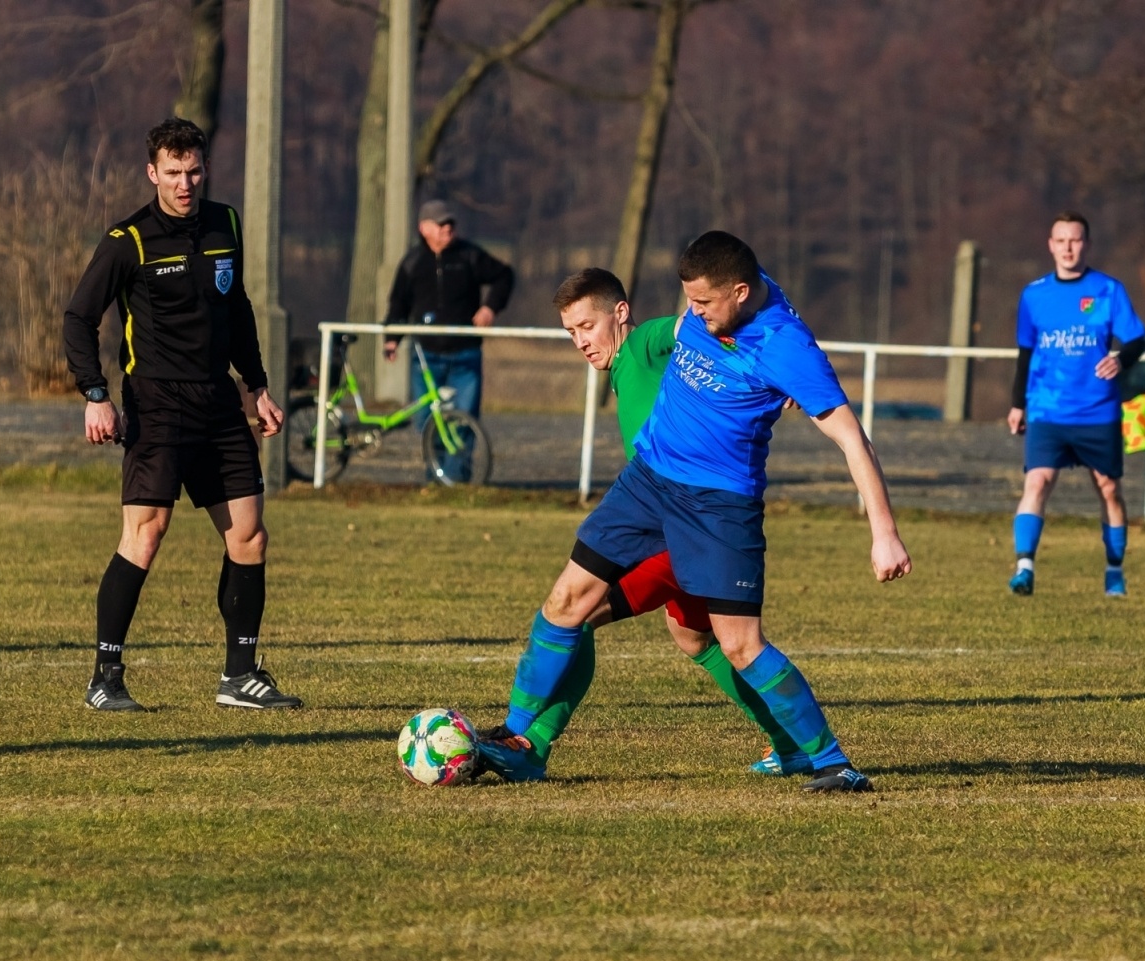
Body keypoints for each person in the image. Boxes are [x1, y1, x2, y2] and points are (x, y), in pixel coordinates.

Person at [477, 232, 912, 793]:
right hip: (647, 481)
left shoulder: (786, 348)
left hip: (718, 504)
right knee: (565, 602)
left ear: (739, 291)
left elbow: (854, 441)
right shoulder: (707, 309)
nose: (694, 314)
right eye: (690, 301)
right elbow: (683, 324)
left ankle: (831, 761)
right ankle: (518, 741)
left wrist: (885, 534)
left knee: (738, 644)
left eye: (705, 304)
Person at [474, 267, 809, 780]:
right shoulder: (625, 368)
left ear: (621, 313)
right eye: (571, 333)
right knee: (694, 636)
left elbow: (707, 320)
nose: (581, 342)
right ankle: (790, 743)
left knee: (578, 615)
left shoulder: (646, 342)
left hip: (683, 525)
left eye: (587, 326)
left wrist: (787, 370)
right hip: (676, 520)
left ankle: (529, 743)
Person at [63, 118, 300, 712]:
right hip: (157, 403)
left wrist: (256, 385)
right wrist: (96, 394)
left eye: (194, 171)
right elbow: (78, 318)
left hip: (219, 402)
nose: (185, 183)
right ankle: (105, 679)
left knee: (249, 535)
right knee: (145, 537)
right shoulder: (129, 239)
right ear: (153, 173)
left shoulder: (226, 224)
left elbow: (237, 307)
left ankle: (240, 676)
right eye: (173, 173)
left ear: (205, 168)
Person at [1007, 211, 1145, 598]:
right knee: (1037, 481)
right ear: (1051, 245)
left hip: (1096, 410)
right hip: (1047, 409)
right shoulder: (1034, 295)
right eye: (1061, 240)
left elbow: (1136, 340)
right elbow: (1024, 354)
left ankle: (1114, 569)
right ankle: (1024, 568)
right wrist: (1017, 404)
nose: (1069, 247)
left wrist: (1121, 358)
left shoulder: (1108, 290)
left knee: (1108, 489)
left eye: (1075, 240)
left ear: (1086, 244)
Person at [382, 199, 515, 483]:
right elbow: (398, 303)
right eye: (441, 224)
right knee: (428, 422)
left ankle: (458, 482)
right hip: (426, 356)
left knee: (463, 420)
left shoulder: (469, 256)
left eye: (450, 224)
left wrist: (490, 306)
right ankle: (437, 478)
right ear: (424, 228)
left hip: (465, 354)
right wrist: (391, 338)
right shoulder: (413, 262)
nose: (447, 229)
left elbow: (504, 275)